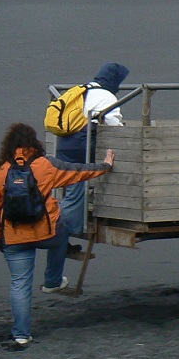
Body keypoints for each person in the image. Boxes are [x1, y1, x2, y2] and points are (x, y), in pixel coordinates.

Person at [0, 122, 114, 347]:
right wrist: (105, 165)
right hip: (45, 233)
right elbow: (79, 172)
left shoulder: (3, 170)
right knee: (61, 232)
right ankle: (52, 281)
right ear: (34, 142)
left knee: (20, 285)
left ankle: (22, 335)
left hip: (13, 237)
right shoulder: (46, 165)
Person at [54, 62, 128, 251]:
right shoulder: (106, 96)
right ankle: (60, 235)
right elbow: (112, 120)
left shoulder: (81, 89)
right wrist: (123, 134)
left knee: (72, 190)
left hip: (64, 143)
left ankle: (61, 234)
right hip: (81, 144)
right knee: (77, 190)